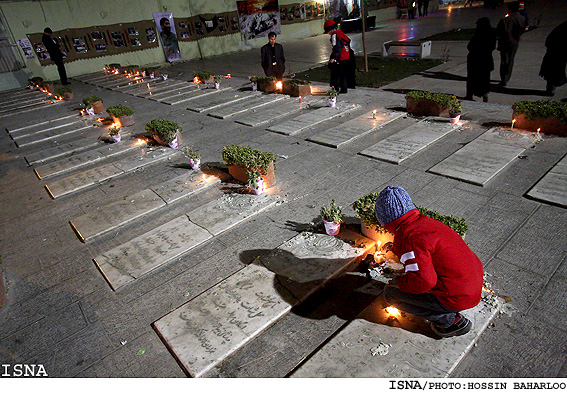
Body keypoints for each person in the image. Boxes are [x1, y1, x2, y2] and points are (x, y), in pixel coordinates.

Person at [375, 186, 484, 338]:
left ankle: (451, 321)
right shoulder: (425, 223)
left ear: (385, 220)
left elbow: (424, 281)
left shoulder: (409, 238)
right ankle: (447, 310)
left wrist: (400, 283)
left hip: (459, 295)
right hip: (470, 284)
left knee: (390, 295)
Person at [465, 17, 496, 102]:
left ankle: (470, 95)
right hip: (486, 59)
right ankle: (484, 94)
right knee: (484, 78)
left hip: (475, 59)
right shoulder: (491, 33)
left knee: (472, 78)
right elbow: (493, 46)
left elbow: (470, 46)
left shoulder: (478, 34)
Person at [495, 1, 526, 86]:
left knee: (504, 61)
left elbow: (498, 31)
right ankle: (507, 77)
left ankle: (503, 79)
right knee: (510, 61)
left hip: (505, 42)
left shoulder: (506, 20)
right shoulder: (522, 19)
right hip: (514, 42)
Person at [324, 19, 354, 94]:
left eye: (328, 32)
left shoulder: (334, 36)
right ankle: (344, 89)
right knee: (343, 75)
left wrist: (333, 58)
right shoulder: (340, 33)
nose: (328, 33)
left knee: (336, 74)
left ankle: (335, 89)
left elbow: (337, 48)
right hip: (346, 57)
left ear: (330, 30)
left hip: (340, 58)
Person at [539, 21, 567, 96]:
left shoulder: (561, 28)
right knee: (554, 72)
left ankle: (552, 88)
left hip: (556, 50)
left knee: (554, 72)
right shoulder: (562, 30)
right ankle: (551, 89)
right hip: (556, 51)